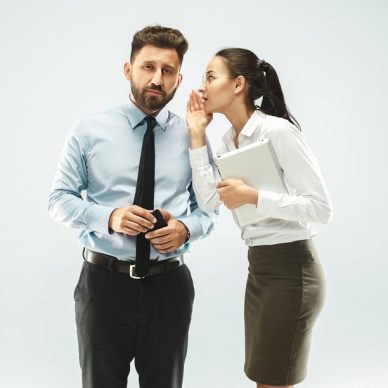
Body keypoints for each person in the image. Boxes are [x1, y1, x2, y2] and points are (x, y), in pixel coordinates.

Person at [48, 25, 217, 388]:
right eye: (148, 67)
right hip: (104, 287)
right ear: (128, 70)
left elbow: (211, 208)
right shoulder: (90, 131)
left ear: (178, 79)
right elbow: (58, 199)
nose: (157, 79)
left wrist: (185, 228)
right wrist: (110, 217)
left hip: (169, 287)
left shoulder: (193, 133)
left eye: (167, 71)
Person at [186, 48, 332, 388]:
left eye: (210, 76)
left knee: (272, 381)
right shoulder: (225, 143)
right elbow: (208, 202)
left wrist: (254, 197)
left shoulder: (278, 132)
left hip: (293, 271)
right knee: (264, 378)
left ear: (238, 84)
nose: (202, 88)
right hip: (260, 271)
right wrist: (196, 136)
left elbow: (320, 208)